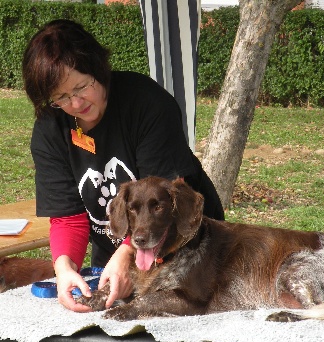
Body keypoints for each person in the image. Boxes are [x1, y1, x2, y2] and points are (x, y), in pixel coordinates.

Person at [22, 19, 224, 313]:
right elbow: (68, 218)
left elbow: (170, 194)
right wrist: (64, 268)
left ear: (98, 69)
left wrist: (127, 255)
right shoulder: (50, 129)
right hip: (117, 254)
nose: (76, 103)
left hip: (189, 251)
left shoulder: (147, 104)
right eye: (61, 98)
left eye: (81, 87)